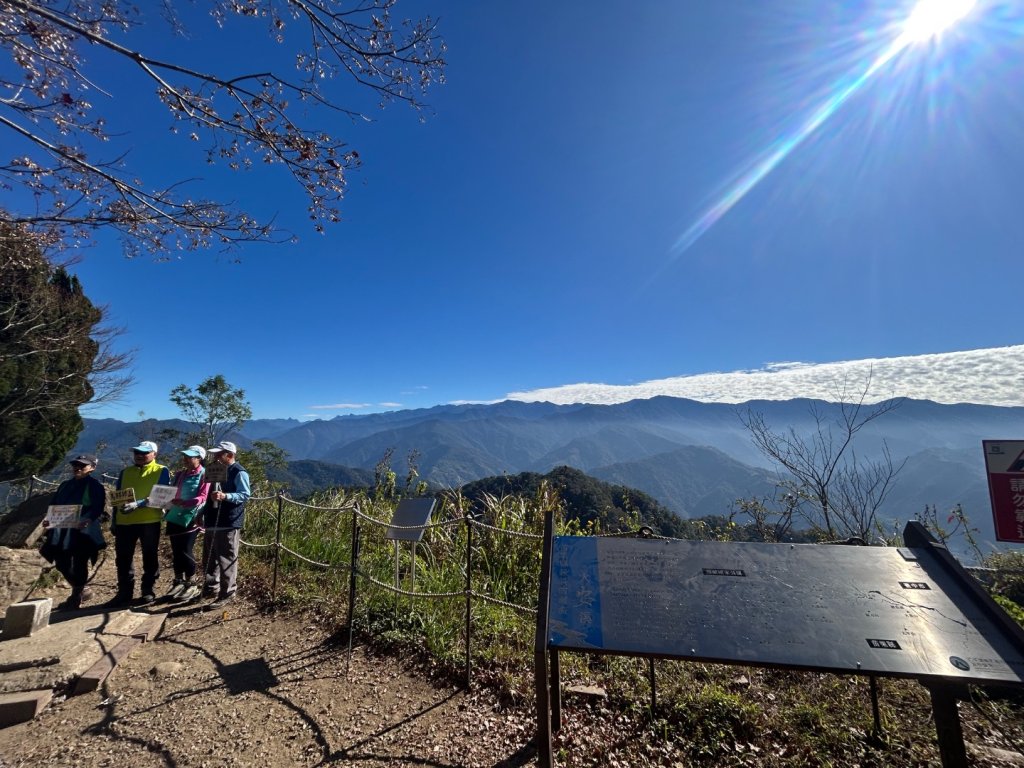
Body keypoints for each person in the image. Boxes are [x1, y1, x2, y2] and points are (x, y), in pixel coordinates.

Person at [39, 454, 106, 610]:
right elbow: (54, 505)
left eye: (82, 466)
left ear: (92, 468)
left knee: (79, 561)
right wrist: (49, 519)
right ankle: (82, 589)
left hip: (82, 530)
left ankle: (77, 595)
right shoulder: (65, 485)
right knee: (61, 562)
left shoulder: (94, 485)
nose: (78, 468)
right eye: (76, 465)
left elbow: (97, 507)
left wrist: (88, 519)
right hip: (61, 530)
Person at [110, 440, 170, 606]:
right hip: (124, 522)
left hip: (149, 520)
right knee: (123, 558)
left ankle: (147, 590)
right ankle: (124, 593)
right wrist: (114, 519)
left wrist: (139, 503)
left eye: (144, 453)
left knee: (149, 556)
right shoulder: (125, 472)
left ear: (154, 454)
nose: (139, 456)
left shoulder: (161, 471)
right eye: (137, 452)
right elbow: (118, 496)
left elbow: (162, 496)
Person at [202, 441, 250, 610]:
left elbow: (244, 495)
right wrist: (201, 513)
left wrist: (225, 496)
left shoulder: (239, 472)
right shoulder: (215, 470)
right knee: (210, 557)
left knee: (227, 559)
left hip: (228, 522)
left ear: (229, 455)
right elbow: (209, 495)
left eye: (218, 454)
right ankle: (211, 587)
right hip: (212, 521)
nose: (215, 457)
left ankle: (227, 592)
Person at [162, 445, 210, 603]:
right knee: (176, 550)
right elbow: (171, 491)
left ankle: (192, 583)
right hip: (175, 515)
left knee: (185, 550)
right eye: (186, 456)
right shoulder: (180, 474)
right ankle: (178, 581)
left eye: (190, 457)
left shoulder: (205, 474)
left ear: (199, 458)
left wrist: (187, 502)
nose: (186, 459)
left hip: (192, 517)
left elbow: (203, 496)